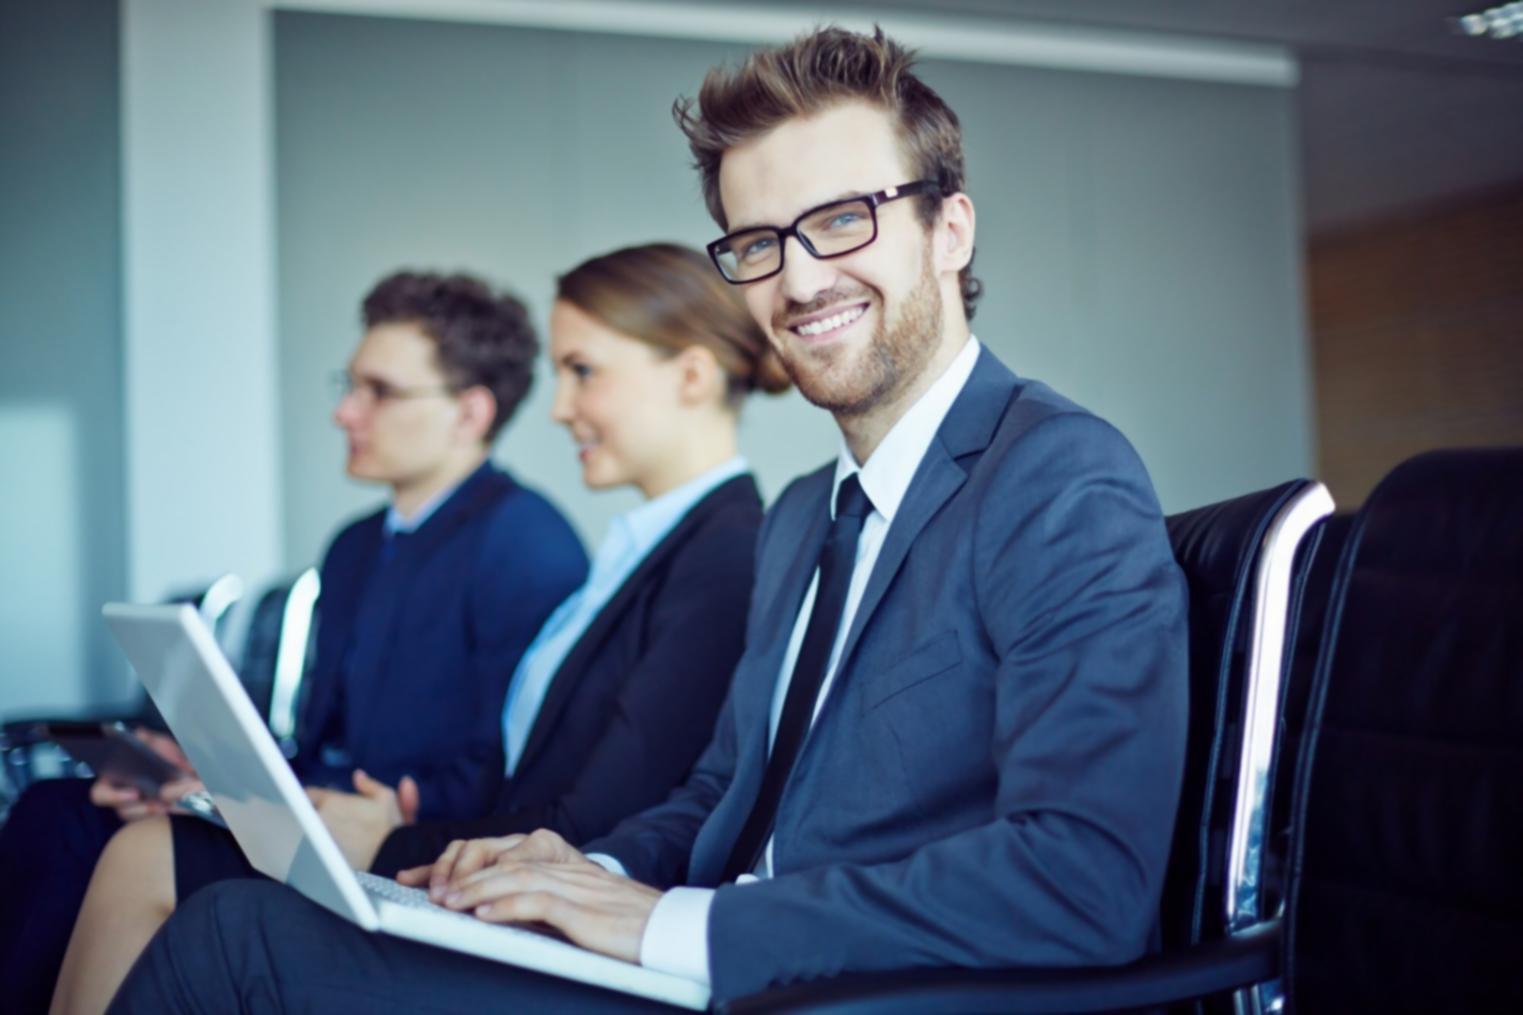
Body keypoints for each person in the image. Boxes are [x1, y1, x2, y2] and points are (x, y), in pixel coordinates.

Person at [113, 26, 1190, 1011]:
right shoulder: (805, 514)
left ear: (947, 227)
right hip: (712, 966)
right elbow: (725, 791)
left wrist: (669, 921)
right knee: (236, 918)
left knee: (235, 944)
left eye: (842, 219)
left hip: (830, 986)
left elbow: (1081, 878)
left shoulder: (1057, 478)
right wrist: (582, 872)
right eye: (757, 241)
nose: (799, 276)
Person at [52, 243, 788, 1013]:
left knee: (170, 875)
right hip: (474, 852)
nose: (559, 405)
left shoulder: (723, 555)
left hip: (533, 894)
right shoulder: (641, 550)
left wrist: (391, 840)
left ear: (693, 376)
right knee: (126, 845)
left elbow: (595, 817)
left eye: (584, 371)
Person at [0, 270, 588, 1014]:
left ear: (469, 412)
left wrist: (323, 801)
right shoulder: (354, 547)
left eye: (379, 391)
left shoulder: (527, 545)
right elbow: (323, 740)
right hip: (313, 816)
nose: (346, 410)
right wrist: (205, 774)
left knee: (89, 836)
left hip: (405, 850)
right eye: (350, 383)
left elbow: (511, 772)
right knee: (62, 810)